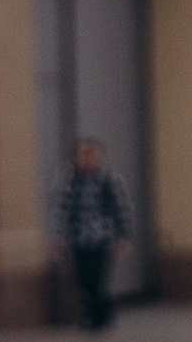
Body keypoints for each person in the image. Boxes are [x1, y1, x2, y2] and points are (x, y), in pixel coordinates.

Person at [49, 136, 132, 330]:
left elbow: (121, 208)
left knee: (98, 278)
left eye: (91, 155)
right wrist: (58, 237)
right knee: (82, 278)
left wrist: (122, 236)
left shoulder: (109, 179)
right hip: (78, 239)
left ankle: (99, 316)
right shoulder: (69, 180)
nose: (87, 159)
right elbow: (61, 209)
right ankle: (93, 312)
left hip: (103, 238)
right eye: (83, 155)